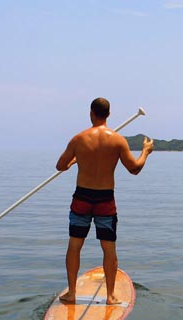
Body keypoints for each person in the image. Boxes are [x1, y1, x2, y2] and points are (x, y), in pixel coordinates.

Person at [56, 97, 154, 304]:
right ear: (109, 114)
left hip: (81, 197)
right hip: (105, 199)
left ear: (90, 113)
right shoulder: (118, 140)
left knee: (74, 245)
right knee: (109, 248)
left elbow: (60, 166)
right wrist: (145, 152)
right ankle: (110, 296)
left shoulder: (78, 139)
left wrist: (75, 160)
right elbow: (134, 169)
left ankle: (72, 293)